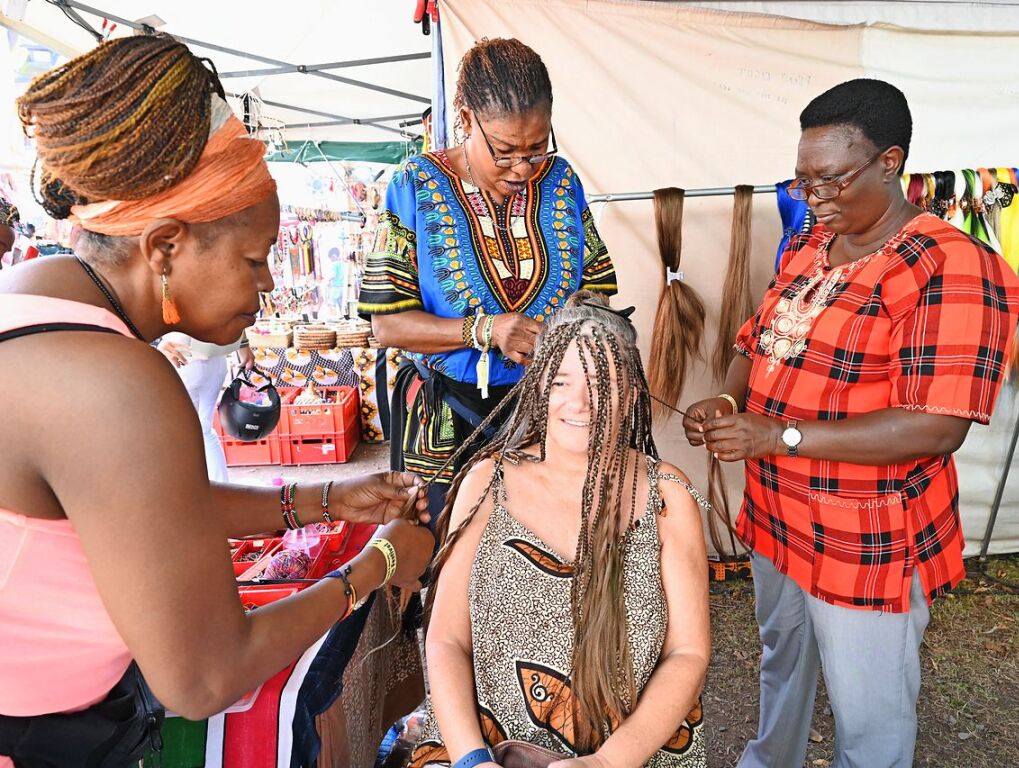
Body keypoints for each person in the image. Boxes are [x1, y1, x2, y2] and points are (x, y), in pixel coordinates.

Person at [0, 35, 434, 767]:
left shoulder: (32, 302)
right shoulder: (117, 382)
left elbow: (145, 508)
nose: (267, 286)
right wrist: (381, 566)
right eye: (255, 258)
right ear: (166, 246)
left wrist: (327, 499)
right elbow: (203, 678)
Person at [684, 79, 1019, 768]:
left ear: (890, 161)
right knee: (782, 662)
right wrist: (727, 401)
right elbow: (757, 341)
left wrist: (775, 435)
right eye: (803, 180)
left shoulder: (952, 267)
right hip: (780, 516)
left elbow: (938, 427)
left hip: (865, 538)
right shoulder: (814, 244)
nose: (813, 198)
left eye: (831, 180)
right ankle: (769, 760)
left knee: (869, 717)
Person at [380, 292, 710, 768]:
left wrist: (606, 762)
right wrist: (473, 759)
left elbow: (688, 652)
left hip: (636, 753)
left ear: (634, 393)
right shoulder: (487, 483)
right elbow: (446, 638)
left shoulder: (667, 496)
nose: (580, 403)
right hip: (488, 747)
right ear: (538, 388)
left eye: (602, 383)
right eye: (561, 382)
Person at [358, 37, 617, 522]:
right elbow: (387, 328)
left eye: (537, 149)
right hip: (446, 424)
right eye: (504, 151)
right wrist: (486, 330)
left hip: (546, 415)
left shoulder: (562, 183)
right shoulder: (413, 185)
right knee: (451, 563)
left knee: (542, 555)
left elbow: (596, 287)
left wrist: (584, 319)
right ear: (466, 117)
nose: (522, 168)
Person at [157, 332, 255, 483]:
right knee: (204, 429)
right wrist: (243, 347)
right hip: (216, 362)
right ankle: (221, 486)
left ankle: (190, 489)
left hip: (185, 359)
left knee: (183, 432)